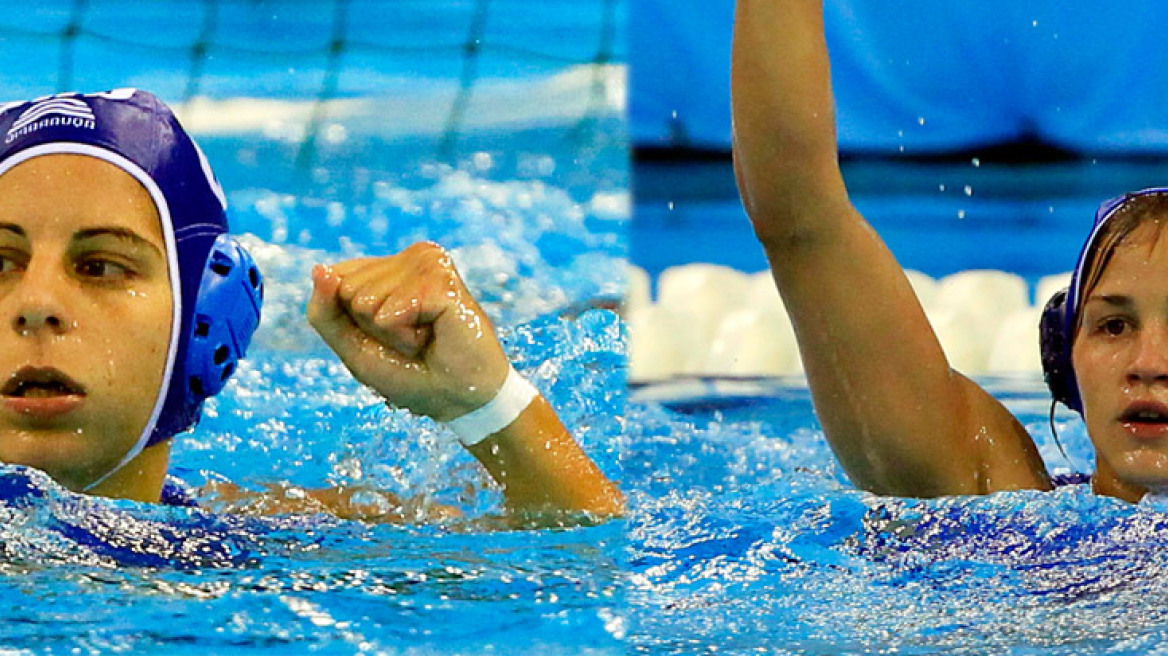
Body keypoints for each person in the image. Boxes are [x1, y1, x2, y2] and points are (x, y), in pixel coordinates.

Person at [0, 88, 622, 518]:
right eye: (2, 264)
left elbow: (585, 550)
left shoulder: (257, 537)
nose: (37, 304)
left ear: (206, 321)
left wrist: (484, 401)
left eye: (101, 266)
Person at [732, 0, 1168, 503]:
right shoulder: (996, 497)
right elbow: (797, 219)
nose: (1149, 363)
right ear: (1064, 361)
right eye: (1113, 326)